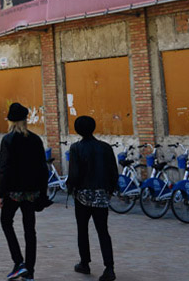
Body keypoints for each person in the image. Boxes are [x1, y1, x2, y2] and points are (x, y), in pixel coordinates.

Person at [0, 103, 47, 281]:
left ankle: (19, 262)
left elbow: (4, 168)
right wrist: (43, 192)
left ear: (10, 120)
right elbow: (43, 168)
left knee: (6, 221)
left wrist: (0, 193)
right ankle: (29, 272)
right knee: (29, 230)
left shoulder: (8, 140)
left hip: (13, 192)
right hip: (32, 192)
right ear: (25, 120)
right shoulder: (35, 139)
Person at [67, 115, 119, 281]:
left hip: (82, 195)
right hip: (101, 195)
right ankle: (109, 267)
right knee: (103, 231)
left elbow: (74, 174)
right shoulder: (105, 147)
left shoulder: (76, 148)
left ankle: (85, 262)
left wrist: (70, 188)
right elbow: (113, 171)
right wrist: (109, 190)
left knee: (82, 230)